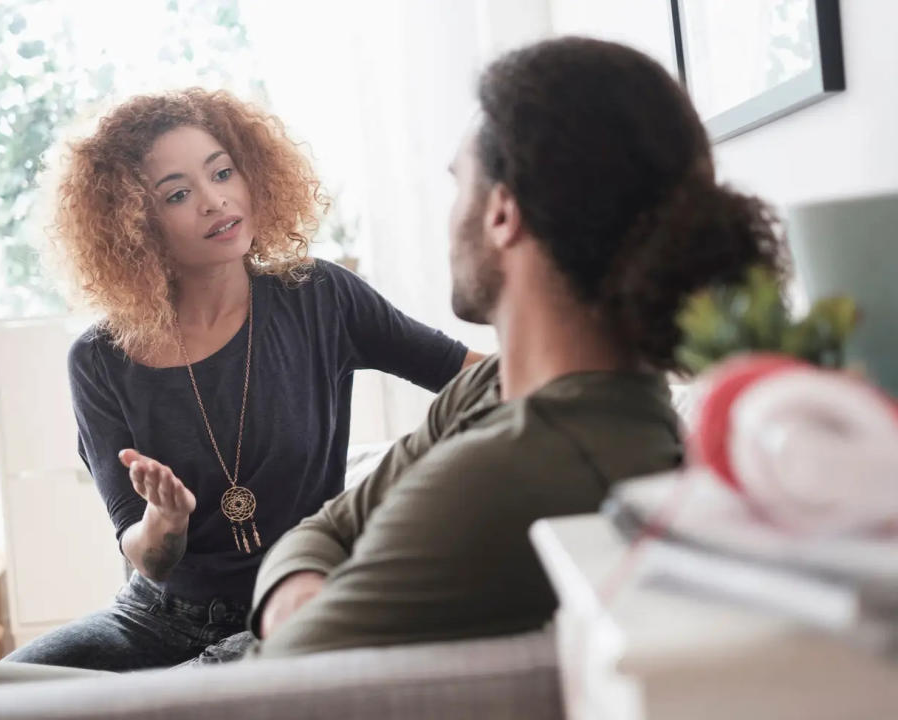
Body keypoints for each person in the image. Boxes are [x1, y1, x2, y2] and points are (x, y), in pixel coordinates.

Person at [250, 35, 784, 657]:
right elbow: (326, 525)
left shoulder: (513, 473)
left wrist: (298, 589)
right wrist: (303, 580)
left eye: (460, 185)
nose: (449, 221)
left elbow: (283, 675)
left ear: (502, 212)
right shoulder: (496, 385)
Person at [5, 88, 482, 671]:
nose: (215, 201)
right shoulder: (99, 360)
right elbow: (147, 558)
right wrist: (167, 519)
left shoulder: (320, 296)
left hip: (294, 606)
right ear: (134, 225)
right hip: (158, 618)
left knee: (198, 693)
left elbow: (470, 377)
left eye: (223, 172)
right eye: (178, 194)